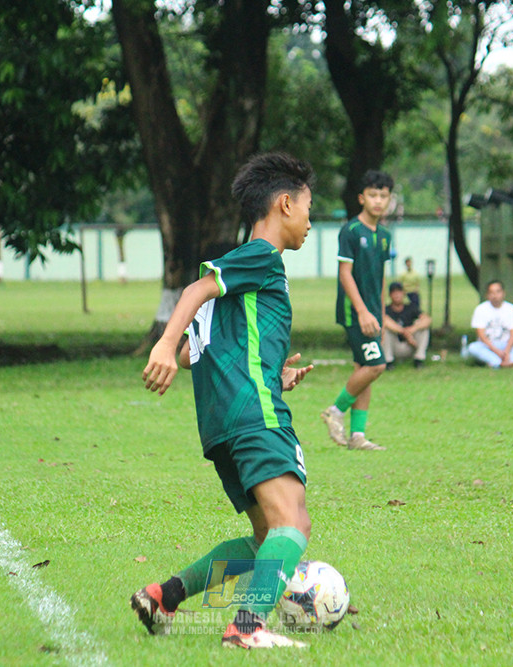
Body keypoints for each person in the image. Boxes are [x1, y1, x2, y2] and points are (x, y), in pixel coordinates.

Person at [134, 152, 315, 650]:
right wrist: (164, 344)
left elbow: (203, 349)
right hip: (254, 415)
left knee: (263, 541)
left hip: (223, 423)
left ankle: (165, 595)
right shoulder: (261, 255)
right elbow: (195, 290)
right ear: (284, 204)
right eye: (307, 208)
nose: (308, 222)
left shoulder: (244, 276)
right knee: (292, 522)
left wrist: (276, 371)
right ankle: (248, 626)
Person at [320, 170, 394, 452]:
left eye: (383, 196)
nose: (378, 201)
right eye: (373, 195)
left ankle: (358, 435)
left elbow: (382, 278)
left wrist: (382, 315)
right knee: (376, 365)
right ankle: (334, 412)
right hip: (354, 312)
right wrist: (363, 312)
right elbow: (345, 274)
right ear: (362, 198)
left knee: (364, 368)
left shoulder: (385, 236)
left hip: (374, 313)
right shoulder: (350, 231)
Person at [467, 280, 513, 368]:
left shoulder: (511, 309)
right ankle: (498, 362)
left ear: (503, 293)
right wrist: (496, 351)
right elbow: (481, 335)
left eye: (498, 292)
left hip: (505, 345)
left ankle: (501, 361)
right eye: (491, 292)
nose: (495, 295)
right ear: (487, 295)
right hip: (488, 346)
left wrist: (507, 351)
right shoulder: (481, 309)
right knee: (472, 348)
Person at [381, 282, 431, 369]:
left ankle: (419, 359)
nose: (397, 295)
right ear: (390, 295)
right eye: (394, 293)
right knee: (385, 330)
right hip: (394, 345)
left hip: (411, 344)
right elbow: (384, 321)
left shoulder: (411, 308)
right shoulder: (386, 310)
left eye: (399, 292)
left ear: (403, 294)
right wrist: (404, 332)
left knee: (423, 328)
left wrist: (413, 329)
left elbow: (427, 319)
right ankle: (388, 361)